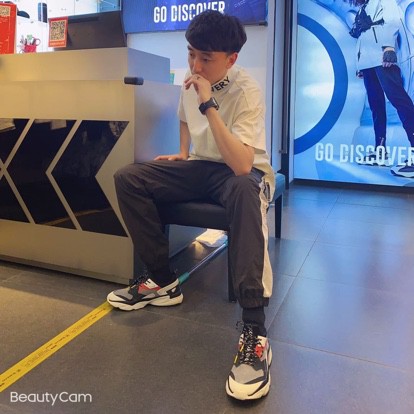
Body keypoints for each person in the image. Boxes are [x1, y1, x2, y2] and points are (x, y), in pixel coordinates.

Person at [106, 10, 275, 401]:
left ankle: (255, 331)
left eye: (205, 58)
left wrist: (208, 103)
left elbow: (242, 164)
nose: (195, 66)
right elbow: (184, 118)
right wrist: (183, 152)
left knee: (245, 191)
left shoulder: (246, 91)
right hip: (200, 167)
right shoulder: (193, 78)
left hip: (240, 174)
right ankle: (163, 281)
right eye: (191, 54)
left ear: (231, 59)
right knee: (129, 178)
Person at [349, 0, 414, 177]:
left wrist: (389, 48)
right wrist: (360, 64)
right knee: (376, 106)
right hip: (368, 62)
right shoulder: (363, 7)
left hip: (382, 58)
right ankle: (380, 151)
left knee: (399, 101)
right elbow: (362, 36)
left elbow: (392, 19)